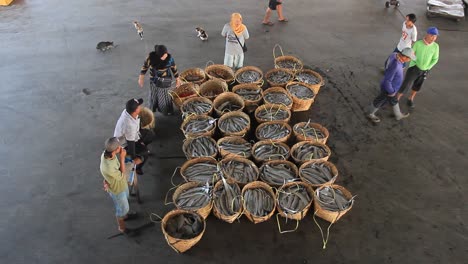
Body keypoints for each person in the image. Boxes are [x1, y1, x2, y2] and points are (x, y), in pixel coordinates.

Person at [100, 137, 141, 234]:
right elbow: (122, 175)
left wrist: (106, 179)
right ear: (115, 150)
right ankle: (122, 228)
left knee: (125, 201)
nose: (122, 148)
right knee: (121, 210)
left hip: (121, 185)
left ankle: (125, 216)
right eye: (120, 147)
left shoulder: (106, 154)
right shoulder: (108, 167)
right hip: (117, 190)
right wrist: (122, 157)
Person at [367, 48, 416, 123]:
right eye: (409, 58)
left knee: (393, 100)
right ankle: (370, 114)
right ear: (404, 57)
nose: (409, 60)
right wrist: (391, 91)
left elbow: (386, 66)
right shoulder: (395, 65)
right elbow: (387, 81)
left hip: (393, 88)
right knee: (380, 100)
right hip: (389, 89)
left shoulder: (395, 55)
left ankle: (398, 115)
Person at [397, 27, 440, 108]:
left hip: (425, 70)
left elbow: (435, 59)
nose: (434, 38)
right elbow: (411, 54)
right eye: (432, 36)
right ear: (427, 34)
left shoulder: (436, 46)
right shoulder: (418, 44)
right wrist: (416, 62)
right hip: (414, 68)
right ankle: (397, 99)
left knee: (417, 85)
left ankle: (411, 98)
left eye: (435, 36)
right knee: (406, 84)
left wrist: (427, 67)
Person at [114, 98, 154, 175]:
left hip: (134, 135)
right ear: (135, 110)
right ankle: (138, 168)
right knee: (145, 154)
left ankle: (142, 145)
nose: (140, 107)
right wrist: (134, 156)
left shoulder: (128, 111)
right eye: (139, 106)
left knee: (151, 135)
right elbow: (131, 143)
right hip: (125, 144)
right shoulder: (129, 126)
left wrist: (141, 141)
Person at [138, 45, 181, 115]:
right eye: (163, 55)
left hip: (165, 81)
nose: (165, 56)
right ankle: (153, 107)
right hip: (153, 79)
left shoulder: (169, 59)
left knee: (164, 96)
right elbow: (145, 67)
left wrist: (177, 79)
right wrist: (141, 77)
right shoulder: (150, 58)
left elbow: (174, 68)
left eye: (166, 54)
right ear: (158, 55)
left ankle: (166, 110)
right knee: (153, 93)